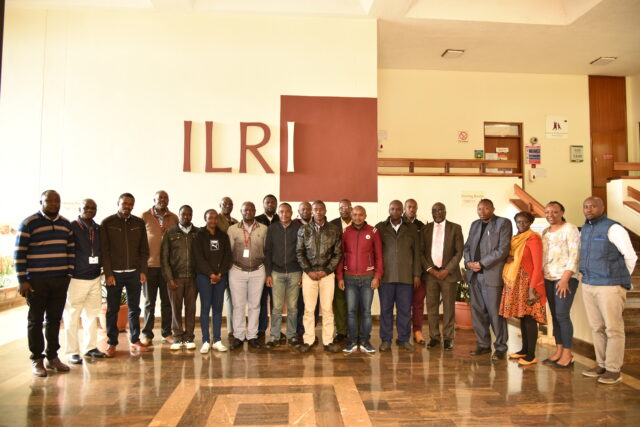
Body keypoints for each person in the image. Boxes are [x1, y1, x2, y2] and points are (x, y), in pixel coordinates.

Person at [15, 190, 75, 377]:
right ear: (41, 201)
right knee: (35, 320)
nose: (53, 204)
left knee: (55, 320)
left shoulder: (66, 224)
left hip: (59, 280)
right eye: (49, 201)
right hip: (36, 282)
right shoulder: (29, 223)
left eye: (57, 201)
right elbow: (19, 252)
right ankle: (37, 359)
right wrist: (22, 280)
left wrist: (68, 273)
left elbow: (70, 250)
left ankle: (53, 357)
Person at [580, 197, 637, 384]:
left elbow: (630, 256)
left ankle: (613, 369)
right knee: (597, 327)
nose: (589, 209)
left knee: (613, 328)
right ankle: (601, 364)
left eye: (593, 206)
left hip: (610, 286)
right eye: (586, 206)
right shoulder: (586, 228)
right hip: (589, 284)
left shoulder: (614, 228)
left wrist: (619, 278)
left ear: (602, 208)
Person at [101, 193, 150, 357]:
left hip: (134, 274)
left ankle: (135, 339)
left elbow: (144, 250)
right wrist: (108, 273)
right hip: (114, 274)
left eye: (130, 204)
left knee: (134, 309)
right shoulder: (108, 223)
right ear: (118, 203)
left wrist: (143, 270)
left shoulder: (139, 223)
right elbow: (104, 251)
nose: (127, 206)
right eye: (124, 203)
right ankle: (112, 343)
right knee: (112, 309)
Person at [463, 199, 512, 360]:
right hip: (474, 275)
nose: (482, 211)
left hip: (491, 275)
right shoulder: (475, 224)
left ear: (492, 208)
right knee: (478, 312)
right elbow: (468, 246)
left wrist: (481, 263)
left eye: (485, 208)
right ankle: (483, 345)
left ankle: (500, 347)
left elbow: (502, 250)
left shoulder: (503, 223)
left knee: (494, 313)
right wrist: (469, 262)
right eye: (479, 208)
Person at [499, 211, 546, 365]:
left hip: (529, 283)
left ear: (530, 222)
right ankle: (524, 350)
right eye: (518, 222)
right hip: (516, 282)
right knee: (522, 317)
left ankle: (531, 355)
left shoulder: (533, 238)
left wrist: (533, 288)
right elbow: (512, 256)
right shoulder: (515, 239)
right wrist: (508, 258)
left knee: (530, 318)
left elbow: (538, 265)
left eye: (525, 222)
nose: (521, 225)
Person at [296, 200, 343, 353]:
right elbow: (300, 252)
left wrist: (327, 270)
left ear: (325, 210)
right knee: (309, 309)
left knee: (327, 309)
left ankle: (328, 341)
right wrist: (308, 270)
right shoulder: (303, 230)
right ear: (312, 211)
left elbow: (337, 253)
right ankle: (308, 340)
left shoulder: (334, 230)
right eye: (315, 209)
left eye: (321, 209)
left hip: (327, 275)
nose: (318, 212)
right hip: (309, 275)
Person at [64, 198, 106, 365]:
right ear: (79, 209)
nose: (89, 210)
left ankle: (90, 348)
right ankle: (72, 351)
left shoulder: (97, 228)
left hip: (95, 277)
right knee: (72, 315)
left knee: (91, 314)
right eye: (86, 207)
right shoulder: (72, 227)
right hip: (76, 278)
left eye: (93, 208)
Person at [376, 200, 421, 352]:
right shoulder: (380, 227)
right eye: (392, 209)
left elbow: (417, 253)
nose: (395, 211)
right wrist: (377, 274)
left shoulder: (412, 228)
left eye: (398, 209)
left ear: (402, 211)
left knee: (404, 310)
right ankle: (386, 340)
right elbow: (376, 253)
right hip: (386, 277)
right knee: (386, 310)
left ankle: (403, 339)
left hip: (405, 276)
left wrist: (416, 274)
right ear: (389, 210)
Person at [337, 206, 383, 353]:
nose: (357, 217)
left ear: (365, 215)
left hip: (368, 278)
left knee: (366, 312)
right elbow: (340, 256)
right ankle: (351, 341)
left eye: (360, 215)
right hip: (349, 278)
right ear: (351, 215)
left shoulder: (373, 232)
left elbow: (379, 256)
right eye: (355, 214)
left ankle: (364, 341)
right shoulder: (345, 232)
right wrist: (340, 277)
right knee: (350, 311)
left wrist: (377, 276)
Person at [419, 202, 464, 350]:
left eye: (440, 210)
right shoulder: (425, 229)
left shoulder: (455, 228)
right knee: (431, 307)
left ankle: (448, 338)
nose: (437, 213)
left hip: (448, 275)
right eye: (434, 210)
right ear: (431, 212)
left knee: (449, 308)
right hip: (431, 275)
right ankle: (434, 337)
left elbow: (459, 252)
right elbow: (421, 253)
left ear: (445, 212)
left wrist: (447, 270)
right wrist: (430, 269)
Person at [541, 201, 580, 368]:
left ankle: (568, 354)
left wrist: (565, 278)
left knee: (563, 314)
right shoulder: (545, 231)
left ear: (562, 212)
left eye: (555, 212)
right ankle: (558, 350)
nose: (551, 215)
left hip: (565, 278)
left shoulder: (570, 228)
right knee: (555, 315)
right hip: (549, 278)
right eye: (548, 212)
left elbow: (575, 254)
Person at [227, 202, 268, 349]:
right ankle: (238, 336)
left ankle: (252, 336)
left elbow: (266, 251)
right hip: (237, 270)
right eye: (245, 210)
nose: (248, 212)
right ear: (241, 211)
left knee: (255, 305)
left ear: (255, 211)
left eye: (251, 209)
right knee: (238, 305)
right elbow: (229, 252)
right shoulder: (232, 230)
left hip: (258, 271)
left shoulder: (264, 229)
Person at [140, 190, 178, 345]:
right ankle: (147, 334)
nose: (163, 200)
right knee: (149, 302)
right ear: (154, 199)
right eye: (160, 198)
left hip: (168, 268)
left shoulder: (174, 217)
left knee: (167, 302)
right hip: (150, 266)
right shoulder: (145, 216)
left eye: (165, 198)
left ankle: (166, 333)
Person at [160, 205, 199, 351]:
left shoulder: (197, 232)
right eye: (184, 214)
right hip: (176, 278)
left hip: (193, 278)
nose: (186, 217)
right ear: (179, 215)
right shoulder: (170, 233)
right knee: (175, 309)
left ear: (192, 215)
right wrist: (169, 278)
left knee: (191, 309)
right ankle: (177, 337)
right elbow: (164, 258)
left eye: (189, 214)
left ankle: (189, 337)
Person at [265, 203, 303, 348]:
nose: (284, 214)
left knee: (293, 307)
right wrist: (268, 274)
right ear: (278, 213)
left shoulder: (298, 228)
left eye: (287, 212)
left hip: (295, 272)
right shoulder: (272, 228)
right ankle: (275, 336)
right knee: (276, 307)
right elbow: (267, 252)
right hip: (276, 272)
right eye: (281, 212)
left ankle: (292, 335)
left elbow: (302, 251)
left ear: (291, 213)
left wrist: (302, 273)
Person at [193, 209, 232, 353]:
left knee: (217, 308)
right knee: (205, 308)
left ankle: (217, 340)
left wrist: (220, 273)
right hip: (204, 277)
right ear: (205, 218)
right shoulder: (199, 235)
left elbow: (227, 256)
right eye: (210, 218)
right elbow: (198, 258)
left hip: (221, 277)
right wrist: (211, 274)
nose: (213, 221)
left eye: (215, 218)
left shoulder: (223, 236)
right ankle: (205, 341)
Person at [256, 194, 280, 341]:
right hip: (260, 267)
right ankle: (261, 329)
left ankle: (276, 331)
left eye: (273, 202)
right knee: (261, 300)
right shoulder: (257, 220)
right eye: (268, 202)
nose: (270, 204)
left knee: (276, 303)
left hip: (277, 267)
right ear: (263, 204)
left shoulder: (282, 219)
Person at [294, 201, 319, 338]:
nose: (305, 211)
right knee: (300, 304)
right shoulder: (294, 226)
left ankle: (311, 331)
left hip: (315, 273)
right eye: (302, 209)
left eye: (308, 209)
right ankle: (300, 331)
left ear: (312, 211)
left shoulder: (318, 226)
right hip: (299, 271)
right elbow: (298, 251)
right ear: (298, 211)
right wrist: (301, 272)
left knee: (313, 304)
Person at [330, 198, 352, 344]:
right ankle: (341, 331)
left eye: (346, 207)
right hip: (336, 269)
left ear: (351, 208)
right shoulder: (332, 225)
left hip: (355, 270)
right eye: (341, 207)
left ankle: (355, 331)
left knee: (355, 303)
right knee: (339, 302)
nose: (343, 210)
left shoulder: (358, 223)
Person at [217, 196, 237, 339]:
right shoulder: (215, 219)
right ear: (220, 205)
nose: (227, 206)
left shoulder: (236, 222)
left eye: (230, 204)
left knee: (232, 298)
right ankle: (215, 333)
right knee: (217, 299)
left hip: (233, 265)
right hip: (219, 265)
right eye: (224, 204)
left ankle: (232, 328)